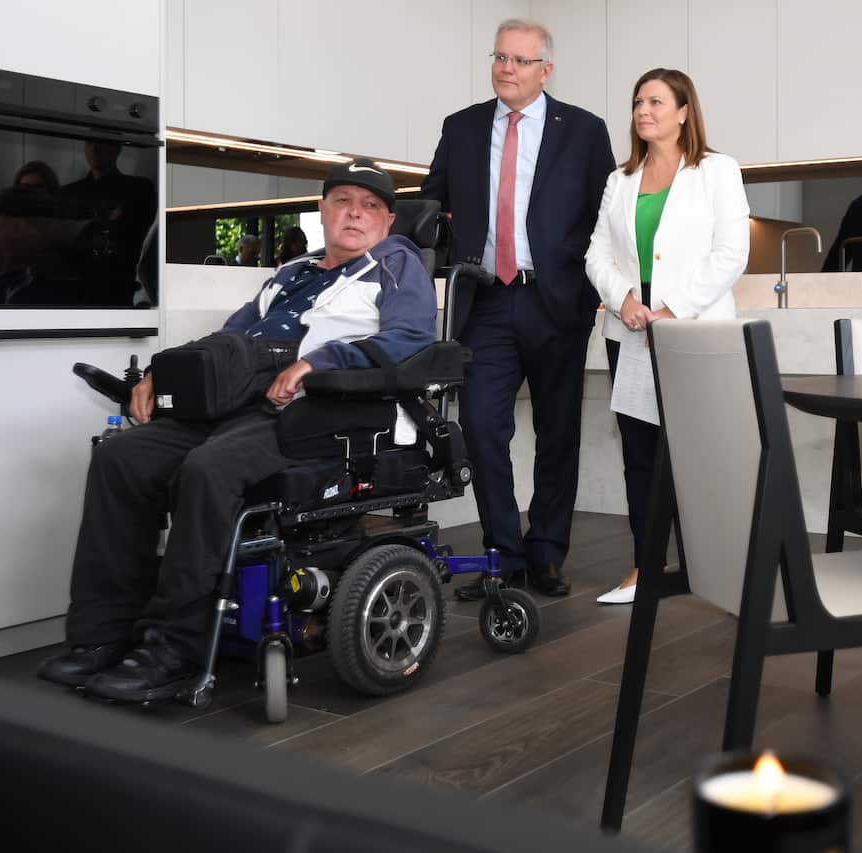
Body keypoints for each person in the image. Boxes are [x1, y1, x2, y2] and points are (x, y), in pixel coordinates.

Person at [37, 159, 437, 701]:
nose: (355, 214)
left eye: (370, 206)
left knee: (209, 469)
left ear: (388, 221)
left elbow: (411, 339)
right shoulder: (291, 273)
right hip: (239, 404)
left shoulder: (395, 262)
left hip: (322, 411)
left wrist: (318, 362)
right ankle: (101, 636)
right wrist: (166, 371)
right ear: (321, 211)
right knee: (122, 457)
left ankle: (175, 647)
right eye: (342, 200)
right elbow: (229, 338)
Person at [420, 19, 614, 601]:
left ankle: (547, 552)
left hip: (556, 301)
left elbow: (607, 217)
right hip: (486, 300)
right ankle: (503, 553)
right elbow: (432, 205)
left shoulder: (583, 130)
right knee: (480, 424)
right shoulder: (462, 128)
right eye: (500, 57)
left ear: (545, 69)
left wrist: (597, 287)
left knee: (558, 433)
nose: (507, 68)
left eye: (520, 60)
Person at [584, 69, 750, 605]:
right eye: (637, 101)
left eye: (656, 101)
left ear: (683, 112)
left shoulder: (716, 171)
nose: (643, 110)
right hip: (629, 330)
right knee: (640, 454)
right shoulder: (620, 179)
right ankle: (646, 567)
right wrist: (626, 300)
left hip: (693, 331)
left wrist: (673, 309)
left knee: (699, 449)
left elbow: (732, 252)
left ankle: (720, 564)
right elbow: (596, 255)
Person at [60, 140, 157, 304]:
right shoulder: (68, 194)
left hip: (120, 286)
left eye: (101, 142)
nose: (94, 148)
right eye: (89, 143)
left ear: (117, 148)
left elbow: (139, 239)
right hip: (75, 288)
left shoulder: (138, 189)